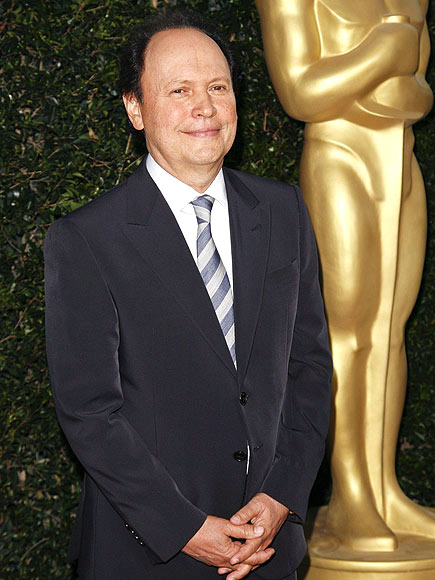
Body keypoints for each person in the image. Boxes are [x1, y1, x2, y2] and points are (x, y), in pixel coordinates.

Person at [44, 8, 332, 580]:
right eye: (179, 90)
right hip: (148, 553)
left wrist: (283, 495)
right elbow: (89, 412)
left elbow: (310, 367)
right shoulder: (86, 238)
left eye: (218, 87)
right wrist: (184, 528)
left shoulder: (283, 211)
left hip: (270, 547)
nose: (205, 106)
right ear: (135, 108)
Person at [256, 0, 434, 553]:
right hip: (339, 156)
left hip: (401, 162)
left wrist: (387, 86)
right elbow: (300, 91)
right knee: (347, 335)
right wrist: (382, 54)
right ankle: (351, 494)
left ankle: (383, 489)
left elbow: (419, 92)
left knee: (390, 333)